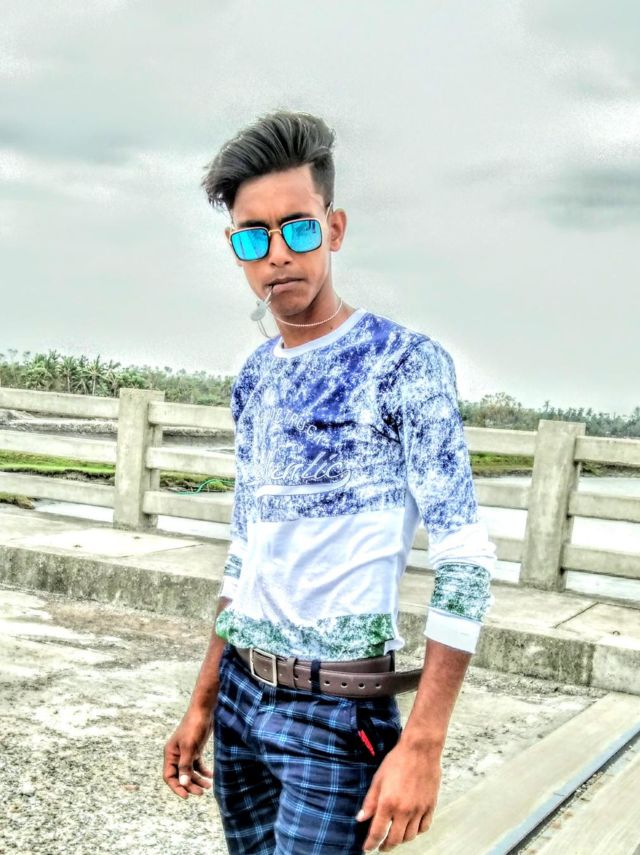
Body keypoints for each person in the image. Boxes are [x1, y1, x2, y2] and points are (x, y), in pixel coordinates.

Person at [163, 109, 496, 854]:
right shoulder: (254, 378)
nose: (278, 253)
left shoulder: (402, 364)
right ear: (236, 249)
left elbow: (466, 558)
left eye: (299, 228)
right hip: (242, 696)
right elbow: (245, 555)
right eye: (255, 236)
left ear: (334, 228)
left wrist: (423, 744)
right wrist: (204, 700)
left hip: (337, 713)